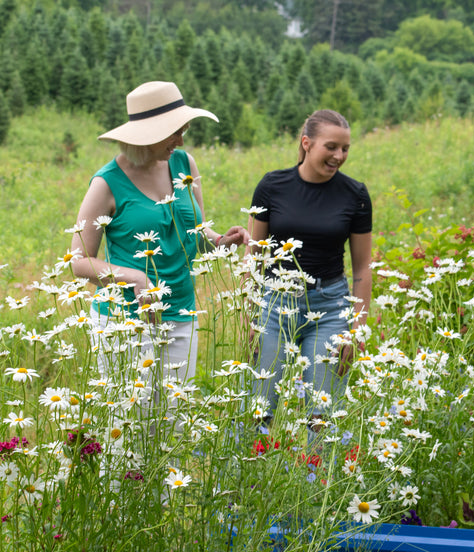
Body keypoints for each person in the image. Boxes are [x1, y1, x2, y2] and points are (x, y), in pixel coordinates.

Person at [70, 81, 250, 388]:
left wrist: (220, 241)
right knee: (128, 420)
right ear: (147, 134)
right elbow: (78, 262)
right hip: (124, 322)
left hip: (182, 313)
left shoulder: (184, 164)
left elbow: (194, 230)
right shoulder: (106, 184)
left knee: (175, 422)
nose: (181, 140)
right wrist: (136, 278)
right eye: (174, 132)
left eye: (185, 130)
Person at [249, 109, 372, 431]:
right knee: (258, 407)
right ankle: (249, 478)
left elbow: (361, 267)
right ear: (307, 143)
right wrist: (250, 317)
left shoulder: (355, 195)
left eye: (345, 149)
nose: (339, 156)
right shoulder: (271, 186)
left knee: (322, 414)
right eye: (331, 147)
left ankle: (317, 478)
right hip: (274, 306)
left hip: (330, 308)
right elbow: (255, 258)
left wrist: (354, 329)